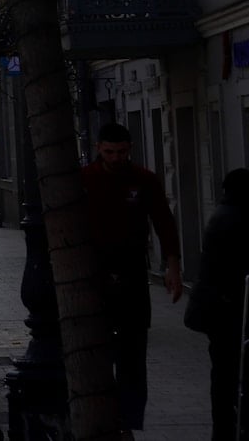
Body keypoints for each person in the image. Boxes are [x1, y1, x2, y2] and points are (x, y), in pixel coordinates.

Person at [81, 122, 183, 437]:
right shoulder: (85, 180)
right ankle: (102, 416)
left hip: (132, 271)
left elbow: (164, 221)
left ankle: (128, 419)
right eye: (109, 151)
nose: (115, 158)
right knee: (97, 351)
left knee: (133, 351)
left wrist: (172, 267)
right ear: (99, 148)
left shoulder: (143, 180)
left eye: (121, 152)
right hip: (94, 271)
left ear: (130, 149)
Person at [194, 168, 249, 441]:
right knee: (229, 374)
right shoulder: (236, 219)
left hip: (217, 310)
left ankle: (223, 429)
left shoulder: (223, 215)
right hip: (229, 310)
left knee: (223, 374)